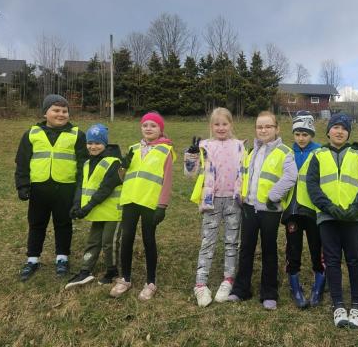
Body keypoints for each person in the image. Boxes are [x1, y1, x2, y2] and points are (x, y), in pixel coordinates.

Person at [307, 113, 358, 328]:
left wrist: (355, 209)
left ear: (348, 133)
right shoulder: (318, 155)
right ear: (328, 132)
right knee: (332, 261)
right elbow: (312, 185)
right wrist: (329, 208)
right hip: (328, 218)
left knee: (355, 260)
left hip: (354, 219)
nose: (339, 131)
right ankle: (338, 305)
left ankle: (357, 305)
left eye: (344, 128)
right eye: (335, 127)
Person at [228, 111, 297, 310]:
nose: (263, 130)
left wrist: (273, 196)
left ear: (277, 129)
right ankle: (241, 289)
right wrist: (241, 194)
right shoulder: (251, 151)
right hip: (249, 208)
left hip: (270, 210)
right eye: (259, 127)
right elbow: (244, 174)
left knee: (269, 250)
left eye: (268, 126)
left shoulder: (285, 152)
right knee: (246, 248)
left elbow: (291, 176)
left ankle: (269, 293)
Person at [15, 94, 88, 281]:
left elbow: (83, 165)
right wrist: (22, 185)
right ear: (45, 113)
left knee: (63, 224)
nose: (61, 114)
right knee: (37, 223)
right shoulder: (32, 134)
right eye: (56, 110)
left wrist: (80, 190)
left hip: (65, 189)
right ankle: (32, 259)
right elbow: (22, 162)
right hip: (39, 189)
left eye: (65, 111)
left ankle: (62, 258)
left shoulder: (77, 135)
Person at [110, 112, 176, 301]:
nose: (148, 128)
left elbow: (167, 180)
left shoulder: (165, 150)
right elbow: (123, 177)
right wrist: (123, 167)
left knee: (148, 240)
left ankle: (151, 282)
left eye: (153, 125)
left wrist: (162, 205)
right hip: (130, 200)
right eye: (145, 125)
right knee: (127, 238)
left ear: (160, 129)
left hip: (149, 202)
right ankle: (125, 279)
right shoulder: (133, 148)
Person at [185, 107, 246, 307]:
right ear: (211, 126)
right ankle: (200, 284)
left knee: (231, 242)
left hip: (233, 201)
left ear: (231, 125)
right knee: (208, 242)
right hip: (211, 202)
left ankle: (228, 280)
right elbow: (190, 173)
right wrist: (191, 156)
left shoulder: (239, 146)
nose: (221, 128)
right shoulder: (204, 146)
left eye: (224, 124)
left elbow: (246, 171)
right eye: (216, 124)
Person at [65, 124, 123, 289]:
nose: (93, 146)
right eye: (90, 143)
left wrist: (87, 207)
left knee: (109, 242)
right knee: (93, 241)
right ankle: (85, 271)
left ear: (105, 143)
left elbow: (105, 189)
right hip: (97, 210)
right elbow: (81, 186)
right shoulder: (86, 163)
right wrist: (77, 204)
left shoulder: (114, 162)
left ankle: (112, 271)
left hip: (113, 211)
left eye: (98, 143)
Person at [281, 111, 324, 309]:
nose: (301, 138)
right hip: (292, 210)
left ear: (311, 134)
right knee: (293, 248)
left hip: (313, 209)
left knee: (317, 247)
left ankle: (319, 285)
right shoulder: (287, 152)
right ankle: (295, 286)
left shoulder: (321, 152)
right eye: (297, 134)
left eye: (305, 134)